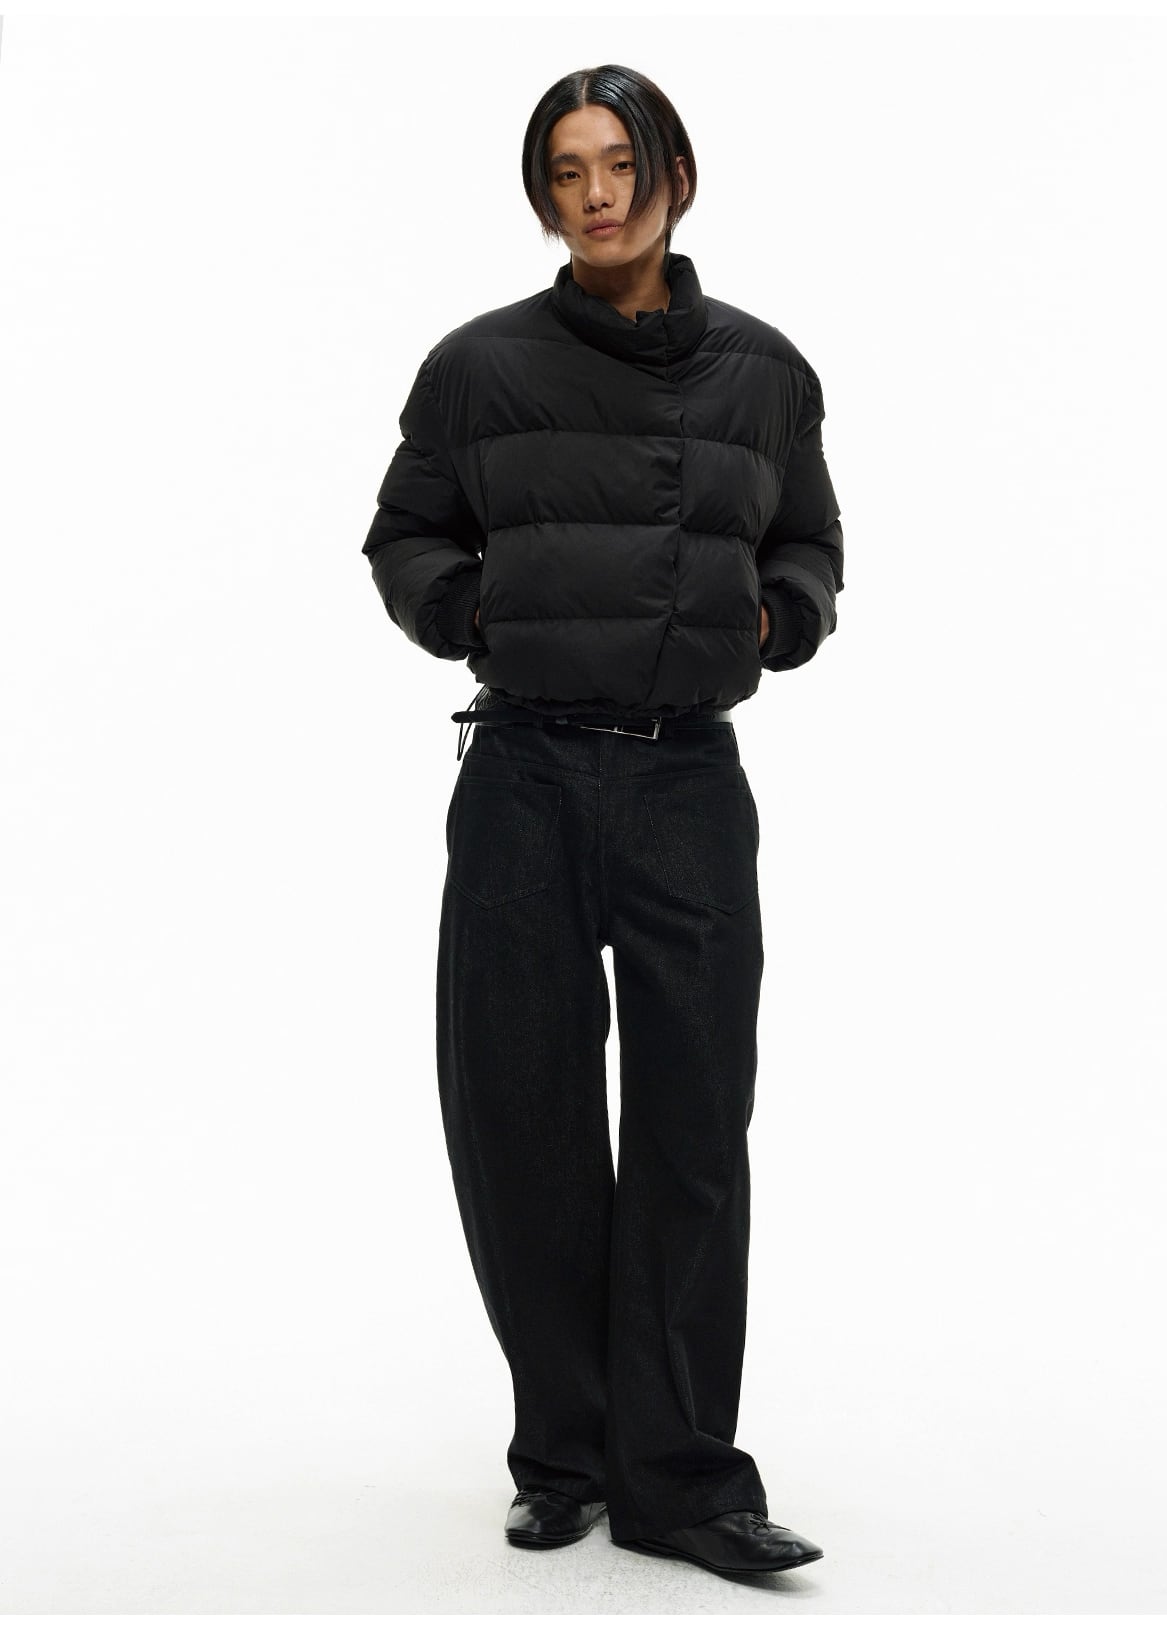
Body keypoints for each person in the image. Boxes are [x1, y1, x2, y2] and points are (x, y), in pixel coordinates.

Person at [361, 63, 844, 1581]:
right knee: (524, 1116)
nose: (596, 195)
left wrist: (775, 618)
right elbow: (404, 533)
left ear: (675, 177)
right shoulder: (477, 367)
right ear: (543, 197)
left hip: (689, 779)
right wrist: (475, 613)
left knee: (696, 1121)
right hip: (523, 772)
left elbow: (812, 543)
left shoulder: (766, 372)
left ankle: (682, 1477)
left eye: (619, 163)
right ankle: (564, 1451)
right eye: (565, 171)